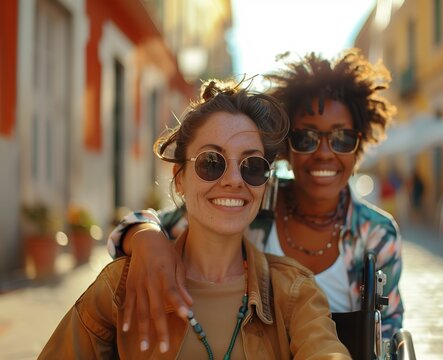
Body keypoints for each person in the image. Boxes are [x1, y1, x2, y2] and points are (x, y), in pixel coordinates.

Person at [108, 49, 404, 351]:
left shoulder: (377, 234)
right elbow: (161, 220)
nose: (324, 152)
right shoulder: (253, 197)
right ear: (287, 147)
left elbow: (388, 339)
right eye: (306, 138)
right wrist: (146, 238)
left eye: (342, 138)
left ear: (359, 145)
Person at [39, 79, 351, 359]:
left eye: (252, 166)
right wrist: (143, 234)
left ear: (264, 183)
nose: (233, 180)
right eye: (211, 162)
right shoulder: (120, 285)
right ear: (179, 179)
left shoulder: (295, 291)